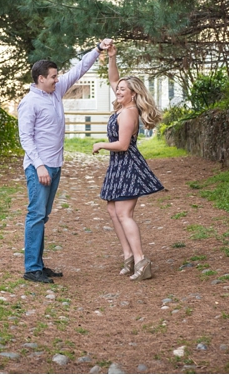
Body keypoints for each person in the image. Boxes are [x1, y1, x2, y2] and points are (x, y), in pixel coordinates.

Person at [18, 43, 104, 284]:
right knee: (36, 215)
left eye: (57, 76)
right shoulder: (29, 102)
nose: (58, 79)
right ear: (41, 78)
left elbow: (79, 69)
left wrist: (97, 49)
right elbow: (25, 138)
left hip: (55, 165)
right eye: (54, 76)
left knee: (42, 216)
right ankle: (32, 268)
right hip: (40, 168)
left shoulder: (55, 92)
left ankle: (38, 264)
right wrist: (40, 165)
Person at [92, 43, 164, 281]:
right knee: (113, 210)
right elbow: (113, 79)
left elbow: (123, 145)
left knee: (124, 213)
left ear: (133, 93)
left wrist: (101, 144)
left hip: (127, 164)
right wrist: (112, 57)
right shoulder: (124, 106)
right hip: (118, 166)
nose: (118, 91)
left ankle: (142, 261)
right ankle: (129, 257)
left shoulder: (129, 112)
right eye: (118, 89)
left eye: (123, 89)